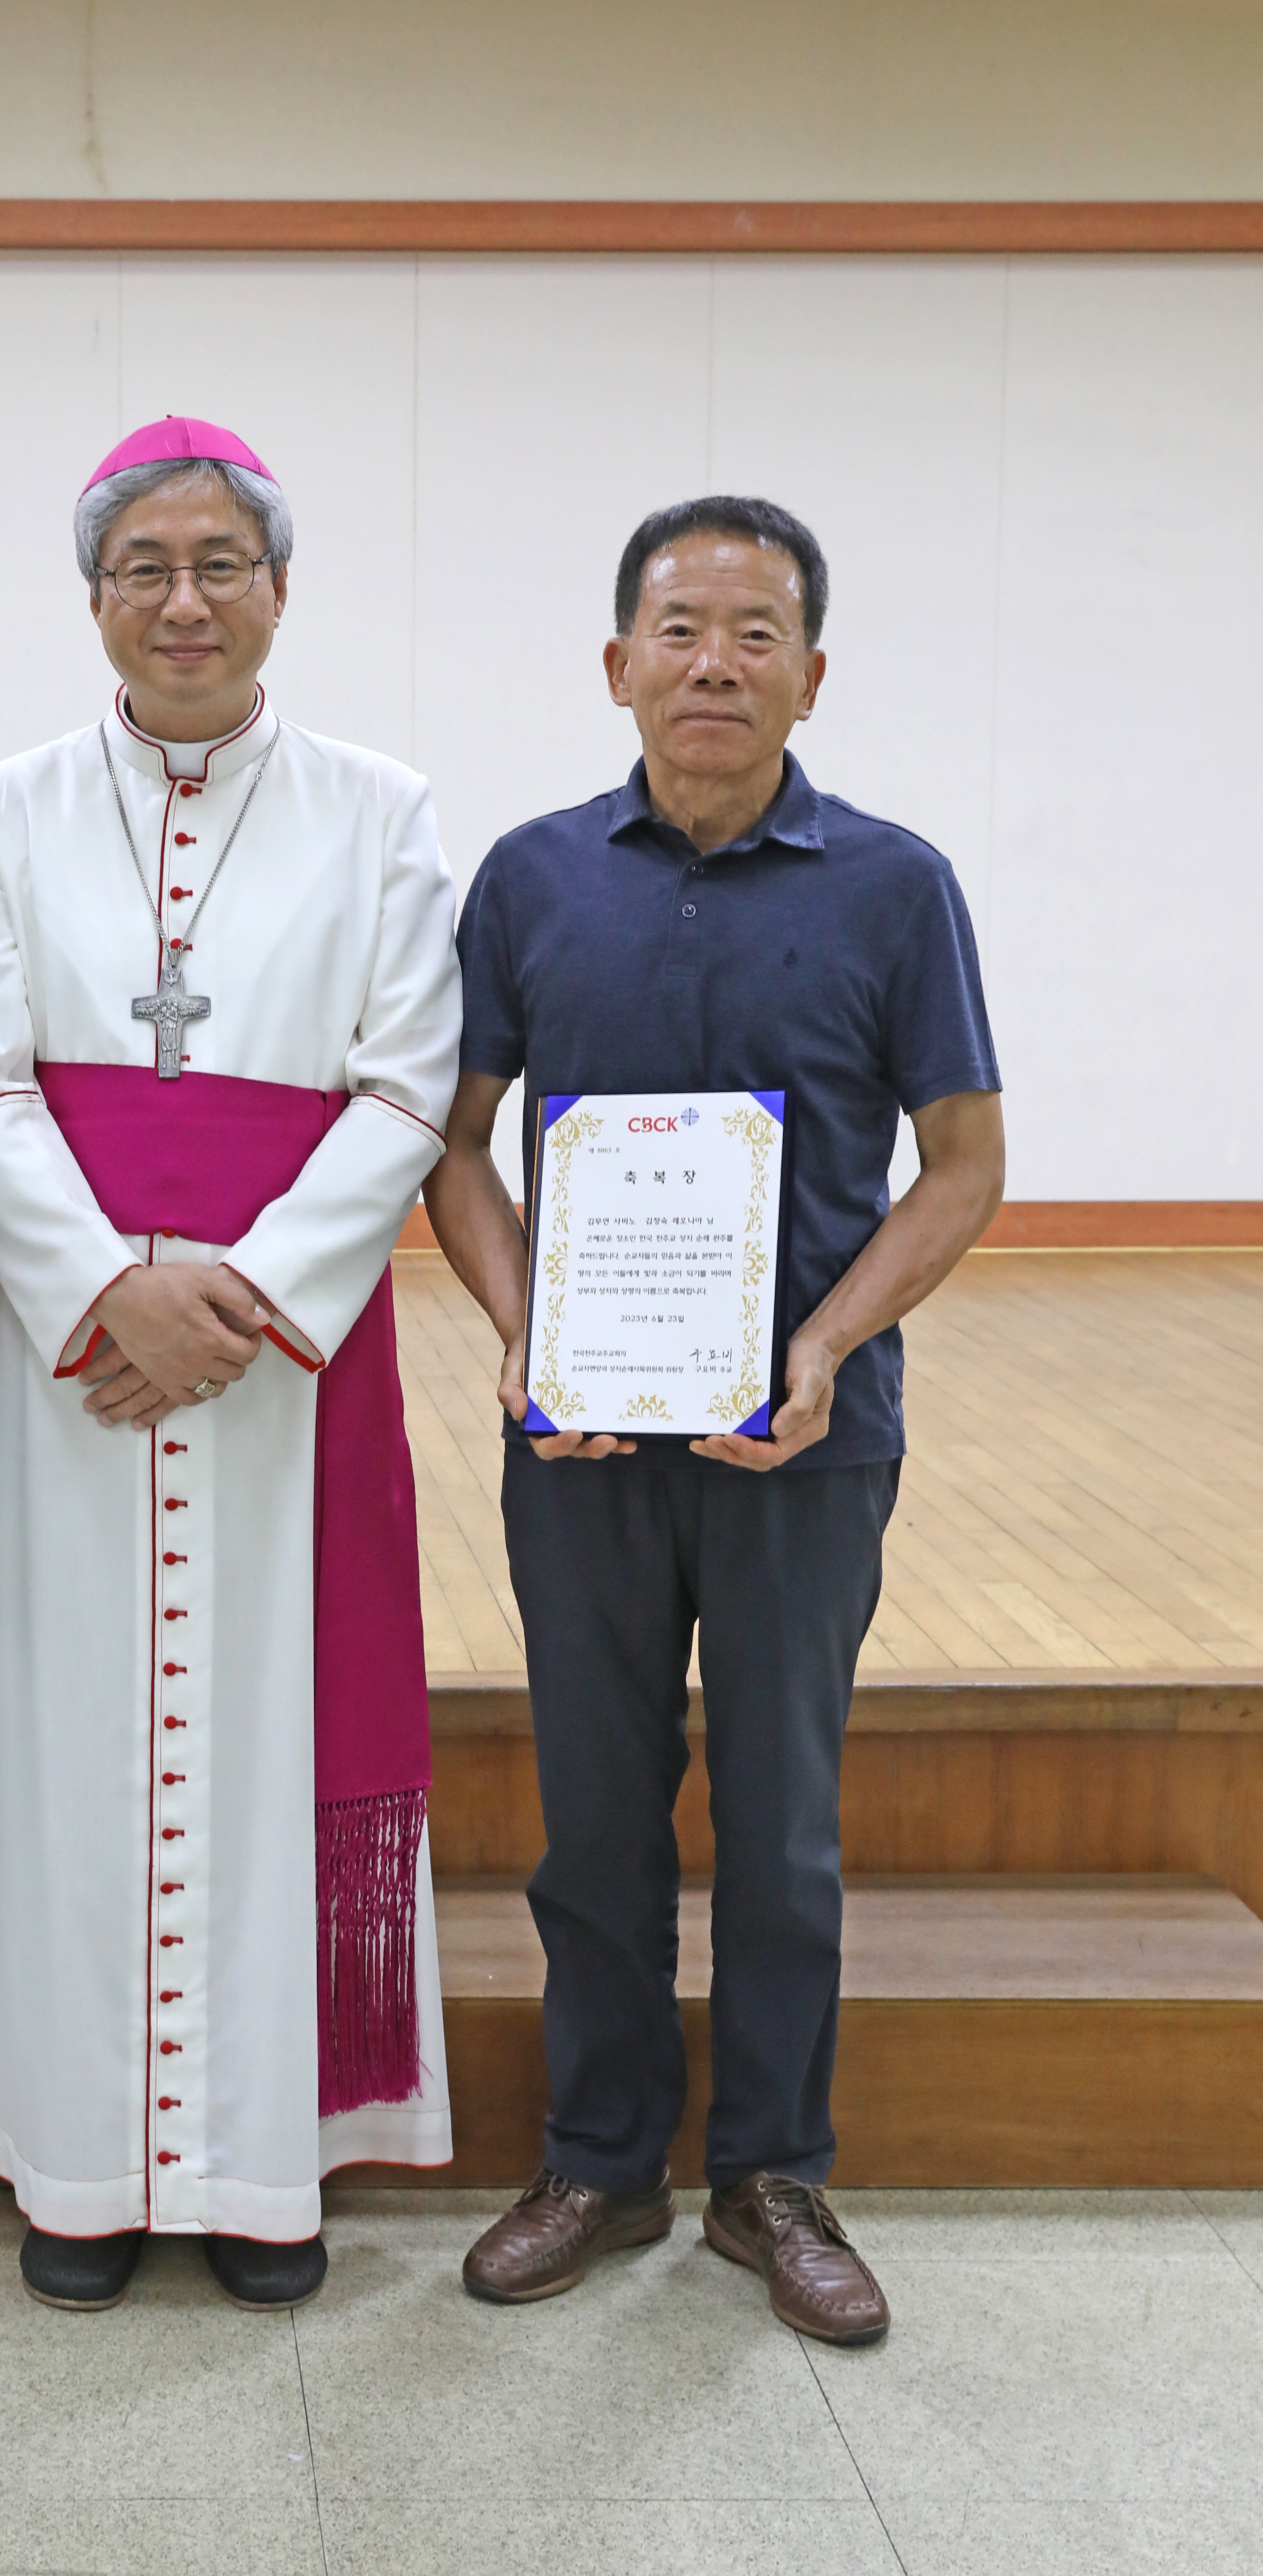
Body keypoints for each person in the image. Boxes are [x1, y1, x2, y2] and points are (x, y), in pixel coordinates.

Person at [0, 416, 462, 2311]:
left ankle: (258, 2170)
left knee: (275, 1735)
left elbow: (405, 1088)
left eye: (222, 561)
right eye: (147, 566)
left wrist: (246, 1296)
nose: (185, 599)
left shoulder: (381, 809)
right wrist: (102, 1290)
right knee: (67, 1742)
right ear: (95, 598)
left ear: (279, 586)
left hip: (283, 1373)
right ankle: (79, 2164)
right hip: (75, 1373)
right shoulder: (4, 810)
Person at [425, 496, 1004, 2344]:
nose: (714, 663)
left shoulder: (895, 886)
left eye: (757, 633)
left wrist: (826, 1343)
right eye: (680, 628)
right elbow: (450, 1145)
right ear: (616, 663)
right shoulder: (526, 878)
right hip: (581, 1445)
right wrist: (524, 1339)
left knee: (782, 1821)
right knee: (592, 1812)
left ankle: (770, 2174)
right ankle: (596, 2156)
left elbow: (966, 1166)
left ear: (810, 672)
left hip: (804, 1445)